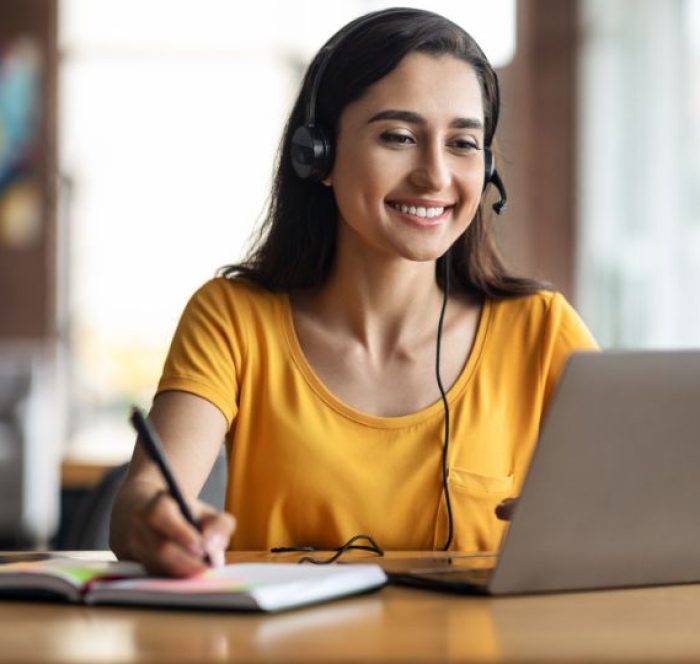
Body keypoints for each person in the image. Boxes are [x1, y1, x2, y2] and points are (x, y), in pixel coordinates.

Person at [109, 7, 598, 577]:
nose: (435, 175)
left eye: (463, 143)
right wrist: (159, 519)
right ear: (317, 155)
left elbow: (637, 497)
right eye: (398, 136)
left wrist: (606, 520)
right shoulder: (233, 318)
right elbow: (141, 499)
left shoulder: (540, 330)